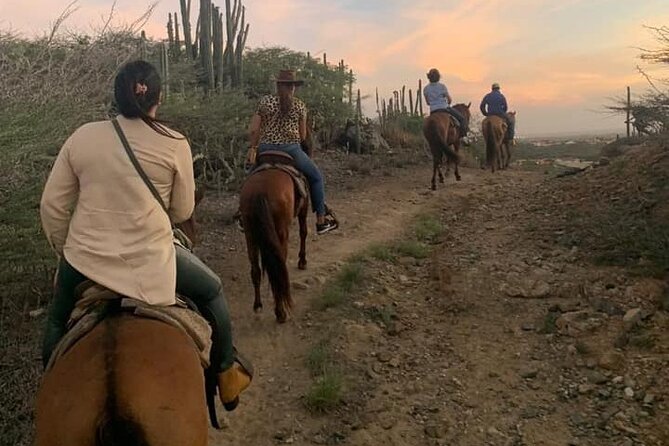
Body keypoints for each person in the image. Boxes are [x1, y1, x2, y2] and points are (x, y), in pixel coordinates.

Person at [39, 60, 251, 409]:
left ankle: (49, 390)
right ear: (158, 97)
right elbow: (182, 212)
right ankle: (227, 376)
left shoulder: (82, 136)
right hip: (152, 263)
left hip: (84, 261)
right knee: (213, 291)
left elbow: (52, 206)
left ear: (117, 96)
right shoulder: (174, 142)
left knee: (56, 320)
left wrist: (70, 251)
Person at [246, 69, 338, 234]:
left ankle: (241, 214)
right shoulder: (299, 105)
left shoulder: (265, 102)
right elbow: (303, 136)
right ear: (292, 87)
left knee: (250, 178)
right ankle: (321, 221)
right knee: (316, 177)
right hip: (291, 151)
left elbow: (253, 130)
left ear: (278, 85)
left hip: (266, 148)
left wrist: (253, 148)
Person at [423, 68, 469, 137]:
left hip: (433, 111)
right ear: (438, 77)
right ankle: (464, 137)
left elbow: (428, 102)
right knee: (462, 119)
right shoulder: (442, 86)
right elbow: (449, 100)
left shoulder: (426, 89)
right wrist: (448, 102)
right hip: (445, 108)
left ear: (429, 77)